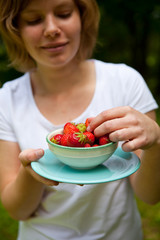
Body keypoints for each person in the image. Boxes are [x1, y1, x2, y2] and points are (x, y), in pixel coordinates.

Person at [0, 0, 160, 239]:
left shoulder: (125, 82)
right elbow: (18, 210)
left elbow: (151, 195)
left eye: (63, 14)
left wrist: (156, 142)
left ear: (82, 17)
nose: (52, 28)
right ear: (16, 30)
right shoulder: (7, 100)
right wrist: (29, 172)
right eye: (34, 20)